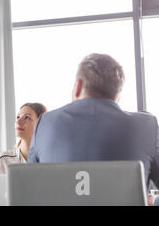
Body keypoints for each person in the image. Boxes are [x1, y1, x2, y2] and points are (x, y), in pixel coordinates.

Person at [28, 53, 159, 204]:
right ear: (117, 94)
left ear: (77, 86)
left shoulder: (45, 123)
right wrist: (153, 201)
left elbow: (27, 190)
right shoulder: (146, 126)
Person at [0, 102, 47, 174]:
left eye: (27, 117)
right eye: (18, 117)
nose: (18, 121)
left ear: (41, 124)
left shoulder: (51, 160)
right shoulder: (4, 160)